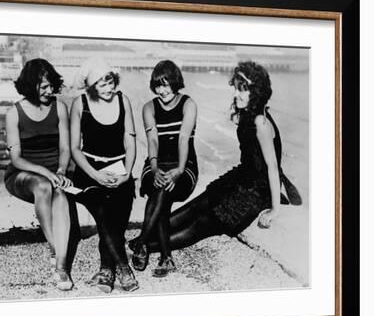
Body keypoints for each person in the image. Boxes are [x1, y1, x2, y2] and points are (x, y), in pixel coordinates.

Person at [130, 60, 300, 253]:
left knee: (200, 224)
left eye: (242, 90)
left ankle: (143, 246)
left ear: (256, 92)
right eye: (236, 89)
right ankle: (142, 238)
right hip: (240, 179)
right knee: (195, 207)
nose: (236, 94)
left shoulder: (260, 121)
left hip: (256, 192)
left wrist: (275, 210)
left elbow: (272, 167)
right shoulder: (248, 114)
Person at [70, 57, 139, 293]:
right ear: (91, 87)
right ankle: (123, 267)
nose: (108, 88)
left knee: (116, 220)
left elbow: (130, 140)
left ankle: (105, 270)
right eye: (101, 84)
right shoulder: (79, 104)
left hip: (119, 171)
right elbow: (74, 149)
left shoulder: (123, 100)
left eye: (109, 81)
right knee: (104, 214)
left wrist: (128, 172)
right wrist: (96, 176)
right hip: (89, 173)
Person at [4, 58, 74, 291]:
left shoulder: (59, 108)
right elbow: (17, 159)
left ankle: (61, 268)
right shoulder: (14, 113)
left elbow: (65, 148)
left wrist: (62, 170)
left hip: (55, 172)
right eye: (43, 86)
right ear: (29, 85)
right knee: (44, 186)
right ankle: (55, 247)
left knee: (61, 195)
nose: (49, 90)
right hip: (23, 174)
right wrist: (46, 171)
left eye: (51, 85)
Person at [131, 60, 198, 277]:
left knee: (163, 192)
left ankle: (142, 243)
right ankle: (165, 258)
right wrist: (154, 167)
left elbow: (183, 139)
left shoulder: (188, 104)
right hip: (156, 162)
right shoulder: (149, 108)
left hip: (184, 164)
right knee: (160, 191)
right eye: (158, 85)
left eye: (166, 84)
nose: (162, 90)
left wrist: (178, 170)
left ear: (175, 82)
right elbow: (153, 141)